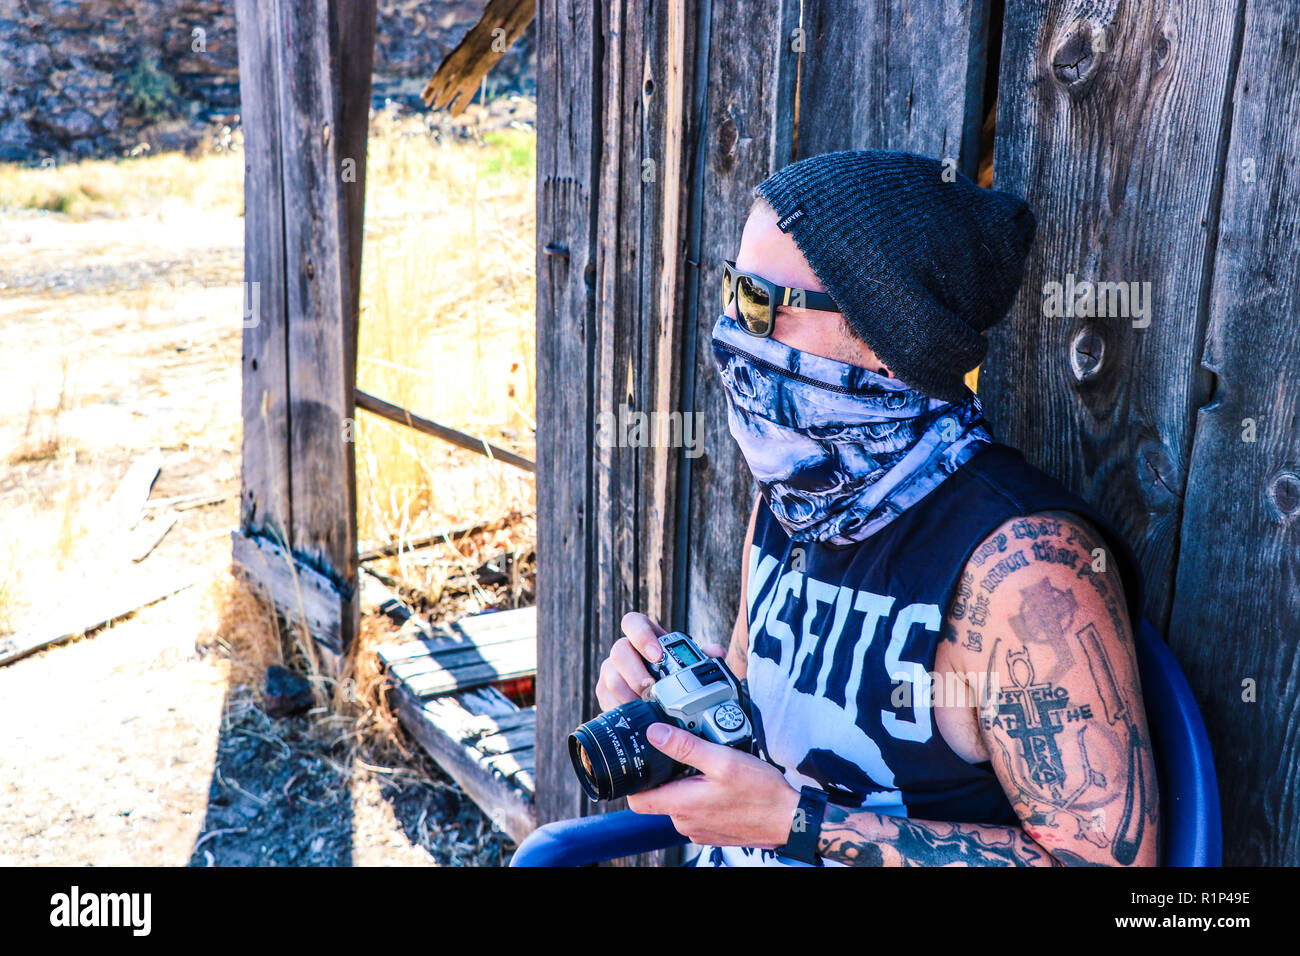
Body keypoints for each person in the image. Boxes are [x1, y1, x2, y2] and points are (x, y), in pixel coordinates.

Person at [595, 150, 1160, 866]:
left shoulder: (1027, 571)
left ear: (893, 341)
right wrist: (674, 709)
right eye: (732, 288)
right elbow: (754, 704)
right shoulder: (801, 490)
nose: (731, 327)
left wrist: (799, 824)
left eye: (762, 304)